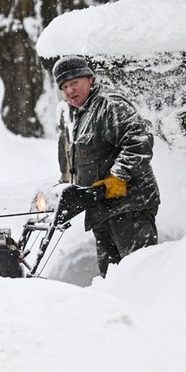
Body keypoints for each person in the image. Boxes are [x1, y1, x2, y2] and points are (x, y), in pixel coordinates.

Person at [53, 55, 160, 277]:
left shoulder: (109, 105)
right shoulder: (83, 113)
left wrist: (118, 177)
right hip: (102, 210)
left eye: (74, 83)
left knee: (139, 274)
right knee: (113, 278)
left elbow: (139, 142)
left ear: (89, 79)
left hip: (130, 207)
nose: (70, 91)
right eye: (65, 87)